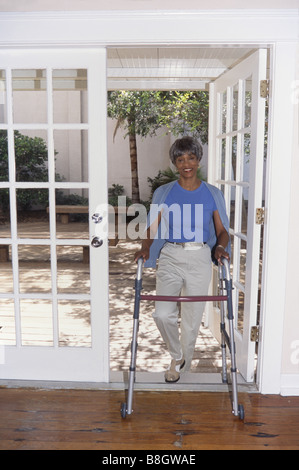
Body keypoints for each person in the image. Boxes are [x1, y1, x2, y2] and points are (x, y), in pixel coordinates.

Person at [134, 136, 230, 383]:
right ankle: (178, 355)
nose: (186, 163)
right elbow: (152, 228)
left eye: (191, 157)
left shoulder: (212, 193)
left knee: (191, 319)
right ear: (175, 163)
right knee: (162, 314)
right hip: (171, 255)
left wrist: (219, 247)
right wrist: (145, 248)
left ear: (198, 160)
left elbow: (222, 231)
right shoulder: (164, 193)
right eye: (180, 159)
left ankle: (180, 368)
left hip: (199, 256)